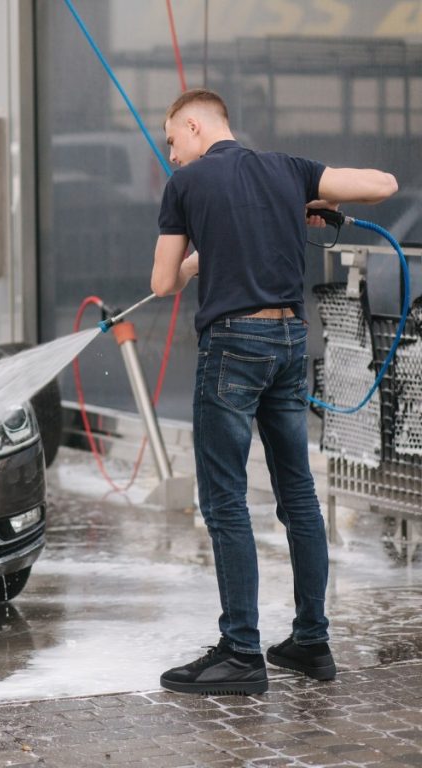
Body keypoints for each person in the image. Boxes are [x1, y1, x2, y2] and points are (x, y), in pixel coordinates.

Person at [150, 88, 398, 695]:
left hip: (233, 349)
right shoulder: (289, 169)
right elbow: (384, 184)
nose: (172, 154)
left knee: (227, 502)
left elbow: (161, 283)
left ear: (195, 123)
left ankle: (240, 653)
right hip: (290, 343)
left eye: (172, 140)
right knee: (299, 496)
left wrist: (196, 259)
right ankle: (312, 641)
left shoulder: (185, 187)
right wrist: (307, 197)